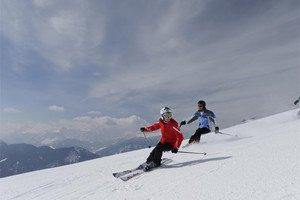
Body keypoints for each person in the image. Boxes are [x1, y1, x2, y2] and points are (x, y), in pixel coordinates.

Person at [140, 107, 184, 171]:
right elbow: (154, 127)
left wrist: (176, 147)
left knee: (158, 149)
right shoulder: (160, 122)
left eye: (169, 115)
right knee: (154, 151)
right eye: (166, 115)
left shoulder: (174, 124)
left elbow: (180, 137)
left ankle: (156, 163)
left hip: (172, 144)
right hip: (163, 141)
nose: (168, 117)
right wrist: (145, 129)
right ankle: (148, 161)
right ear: (162, 116)